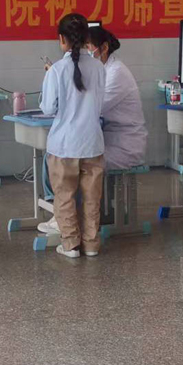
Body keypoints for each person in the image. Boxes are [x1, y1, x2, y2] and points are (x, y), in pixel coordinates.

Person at [38, 26, 147, 234]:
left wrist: (59, 82)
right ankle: (62, 214)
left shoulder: (116, 73)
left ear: (103, 48)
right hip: (104, 138)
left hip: (123, 144)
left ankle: (68, 218)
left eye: (89, 46)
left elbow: (94, 107)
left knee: (74, 160)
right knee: (55, 157)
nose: (86, 51)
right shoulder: (99, 68)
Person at [41, 13, 106, 258]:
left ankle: (71, 245)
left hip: (64, 145)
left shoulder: (57, 70)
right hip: (92, 143)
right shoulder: (99, 67)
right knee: (92, 198)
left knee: (65, 196)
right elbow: (100, 103)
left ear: (62, 39)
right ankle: (91, 245)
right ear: (87, 37)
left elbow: (48, 108)